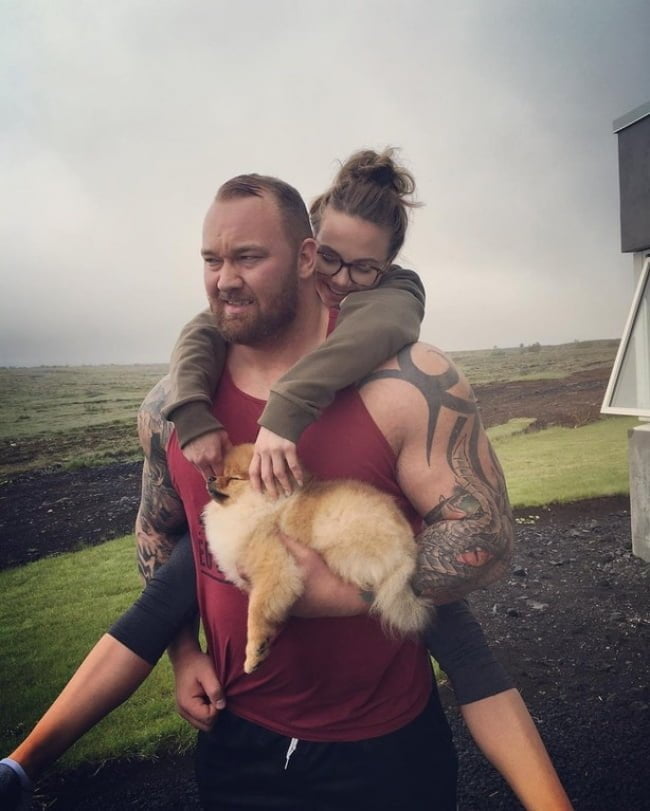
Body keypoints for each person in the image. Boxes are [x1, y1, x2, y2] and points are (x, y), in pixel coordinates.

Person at [1, 153, 571, 810]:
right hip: (235, 742)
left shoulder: (406, 383)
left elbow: (483, 547)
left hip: (385, 754)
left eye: (248, 257)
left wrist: (352, 589)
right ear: (310, 252)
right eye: (212, 260)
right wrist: (183, 651)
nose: (339, 280)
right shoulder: (174, 406)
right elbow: (163, 538)